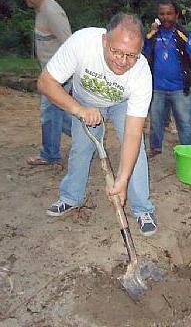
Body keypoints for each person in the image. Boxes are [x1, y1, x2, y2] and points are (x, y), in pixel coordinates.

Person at [37, 13, 157, 236]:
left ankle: (142, 208)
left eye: (131, 55)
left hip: (123, 103)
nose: (122, 61)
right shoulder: (82, 43)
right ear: (104, 40)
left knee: (136, 150)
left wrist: (120, 181)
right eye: (116, 51)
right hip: (85, 101)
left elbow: (133, 133)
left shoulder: (141, 73)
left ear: (140, 51)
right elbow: (45, 82)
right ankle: (71, 197)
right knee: (81, 148)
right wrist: (78, 109)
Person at [143, 0, 191, 157]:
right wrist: (150, 34)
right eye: (162, 14)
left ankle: (189, 152)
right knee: (156, 122)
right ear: (157, 15)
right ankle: (155, 148)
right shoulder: (152, 34)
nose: (165, 17)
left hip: (179, 89)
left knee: (185, 123)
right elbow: (143, 55)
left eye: (169, 14)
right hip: (156, 88)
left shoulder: (185, 35)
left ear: (177, 15)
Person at [19, 0, 72, 166]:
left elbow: (69, 43)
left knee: (49, 113)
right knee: (61, 114)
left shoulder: (51, 11)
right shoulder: (40, 10)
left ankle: (49, 154)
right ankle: (87, 138)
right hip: (50, 74)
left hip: (59, 76)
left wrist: (64, 75)